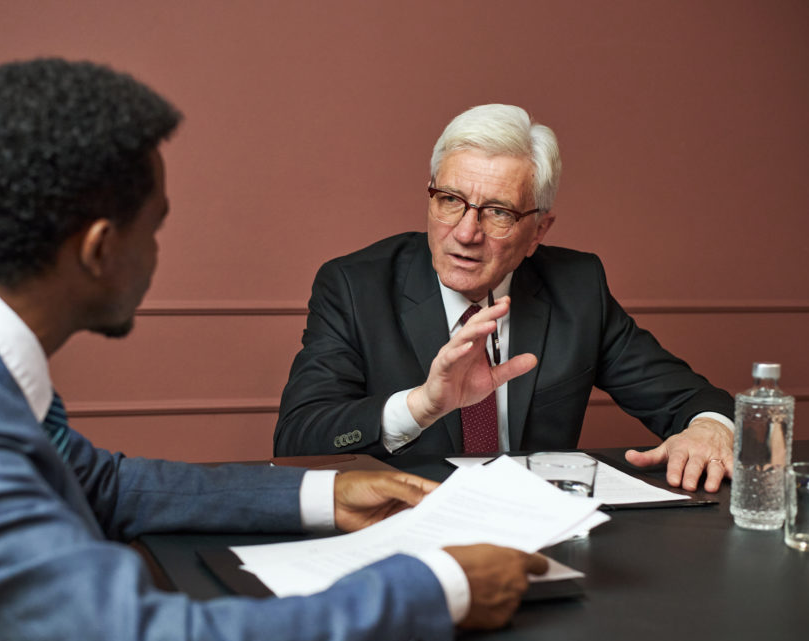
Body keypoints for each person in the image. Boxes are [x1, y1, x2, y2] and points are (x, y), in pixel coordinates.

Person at [0, 61, 547, 641]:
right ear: (99, 248)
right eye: (155, 227)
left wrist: (328, 492)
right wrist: (438, 588)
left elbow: (100, 485)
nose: (159, 253)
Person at [274, 104, 735, 493]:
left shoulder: (576, 288)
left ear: (538, 231)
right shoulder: (355, 287)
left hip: (537, 531)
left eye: (498, 211)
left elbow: (691, 400)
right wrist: (421, 405)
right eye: (450, 200)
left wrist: (710, 427)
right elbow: (297, 440)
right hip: (407, 528)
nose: (466, 232)